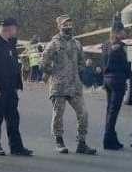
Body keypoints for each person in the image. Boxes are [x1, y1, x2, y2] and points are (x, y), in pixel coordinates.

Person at [41, 15, 97, 155]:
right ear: (59, 26)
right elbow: (43, 63)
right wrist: (53, 72)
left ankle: (81, 143)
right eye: (65, 25)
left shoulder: (76, 44)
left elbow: (81, 62)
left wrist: (82, 71)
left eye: (70, 24)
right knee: (58, 114)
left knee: (83, 113)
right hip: (59, 86)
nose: (68, 27)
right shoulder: (54, 44)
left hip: (74, 86)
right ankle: (59, 141)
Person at [0, 18, 31, 156]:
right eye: (15, 28)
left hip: (11, 87)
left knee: (13, 117)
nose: (16, 31)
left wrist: (17, 84)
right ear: (9, 28)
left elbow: (14, 65)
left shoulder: (10, 43)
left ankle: (16, 147)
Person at [101, 21, 130, 150]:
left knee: (109, 110)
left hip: (107, 79)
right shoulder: (120, 46)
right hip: (117, 80)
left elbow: (103, 62)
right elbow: (124, 65)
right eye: (123, 31)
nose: (125, 33)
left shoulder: (105, 45)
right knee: (114, 111)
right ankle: (108, 139)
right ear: (118, 32)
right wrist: (129, 75)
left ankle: (112, 137)